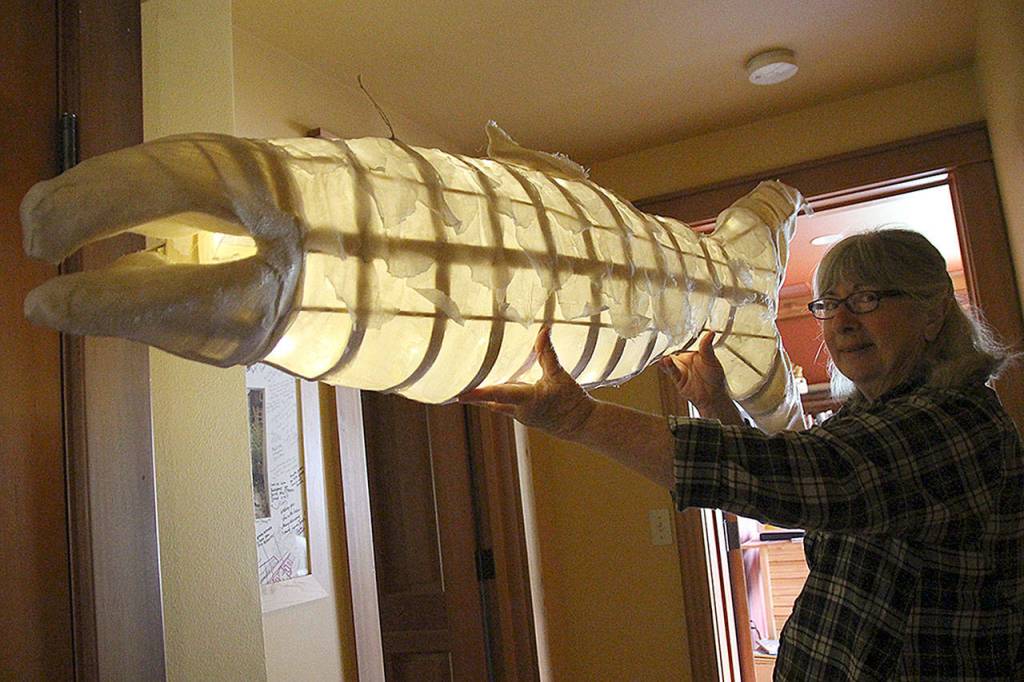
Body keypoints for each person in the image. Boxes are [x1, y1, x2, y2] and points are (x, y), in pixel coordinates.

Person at [460, 228, 1024, 680]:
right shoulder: (869, 416)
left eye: (868, 299)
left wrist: (581, 418)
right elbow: (801, 476)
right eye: (829, 304)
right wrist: (718, 406)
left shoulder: (952, 421)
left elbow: (807, 477)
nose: (842, 322)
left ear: (932, 312)